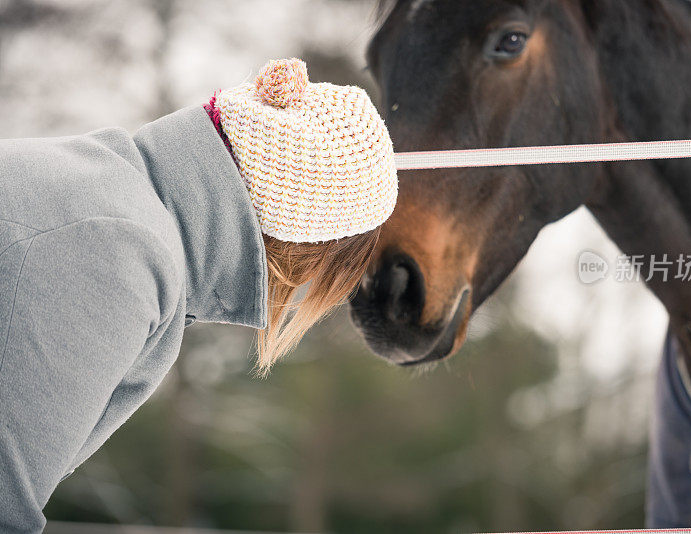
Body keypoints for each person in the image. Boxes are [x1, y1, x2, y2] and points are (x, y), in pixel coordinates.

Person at [0, 58, 397, 533]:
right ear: (305, 247)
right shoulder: (118, 250)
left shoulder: (109, 199)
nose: (304, 294)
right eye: (325, 276)